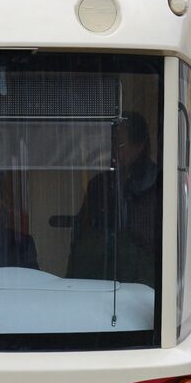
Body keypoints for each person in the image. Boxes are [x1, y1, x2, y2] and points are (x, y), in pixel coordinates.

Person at [67, 113, 161, 285]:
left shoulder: (161, 187)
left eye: (119, 144)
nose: (112, 150)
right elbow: (81, 241)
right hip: (99, 283)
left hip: (145, 286)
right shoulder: (98, 186)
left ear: (139, 145)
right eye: (110, 142)